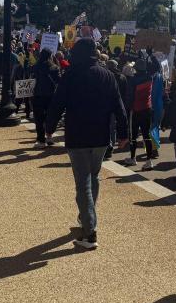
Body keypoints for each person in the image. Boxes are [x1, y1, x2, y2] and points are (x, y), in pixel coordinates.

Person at [46, 39, 129, 250]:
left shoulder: (70, 75)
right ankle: (86, 216)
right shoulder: (107, 75)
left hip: (78, 135)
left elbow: (57, 103)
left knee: (82, 182)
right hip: (101, 135)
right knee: (93, 176)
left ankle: (90, 231)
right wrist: (123, 132)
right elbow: (118, 106)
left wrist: (49, 127)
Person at [32, 49, 60, 149]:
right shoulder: (54, 67)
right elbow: (58, 81)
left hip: (38, 94)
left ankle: (40, 139)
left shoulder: (36, 67)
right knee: (50, 117)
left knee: (39, 118)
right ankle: (49, 136)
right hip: (51, 95)